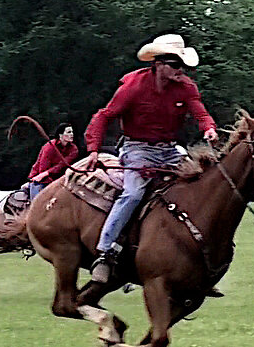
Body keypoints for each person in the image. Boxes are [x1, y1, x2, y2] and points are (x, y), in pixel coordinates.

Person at [86, 33, 220, 283]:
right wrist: (93, 149)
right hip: (138, 149)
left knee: (199, 184)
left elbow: (200, 112)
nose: (182, 70)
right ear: (158, 64)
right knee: (133, 194)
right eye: (176, 65)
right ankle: (104, 252)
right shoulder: (133, 87)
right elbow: (104, 116)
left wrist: (208, 128)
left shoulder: (186, 87)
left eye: (183, 65)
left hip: (170, 150)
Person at [26, 123, 82, 200]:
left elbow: (62, 165)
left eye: (72, 132)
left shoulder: (73, 149)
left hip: (59, 180)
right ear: (60, 135)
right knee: (37, 203)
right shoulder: (49, 147)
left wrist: (47, 173)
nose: (72, 134)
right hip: (41, 179)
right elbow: (43, 168)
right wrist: (44, 175)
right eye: (68, 132)